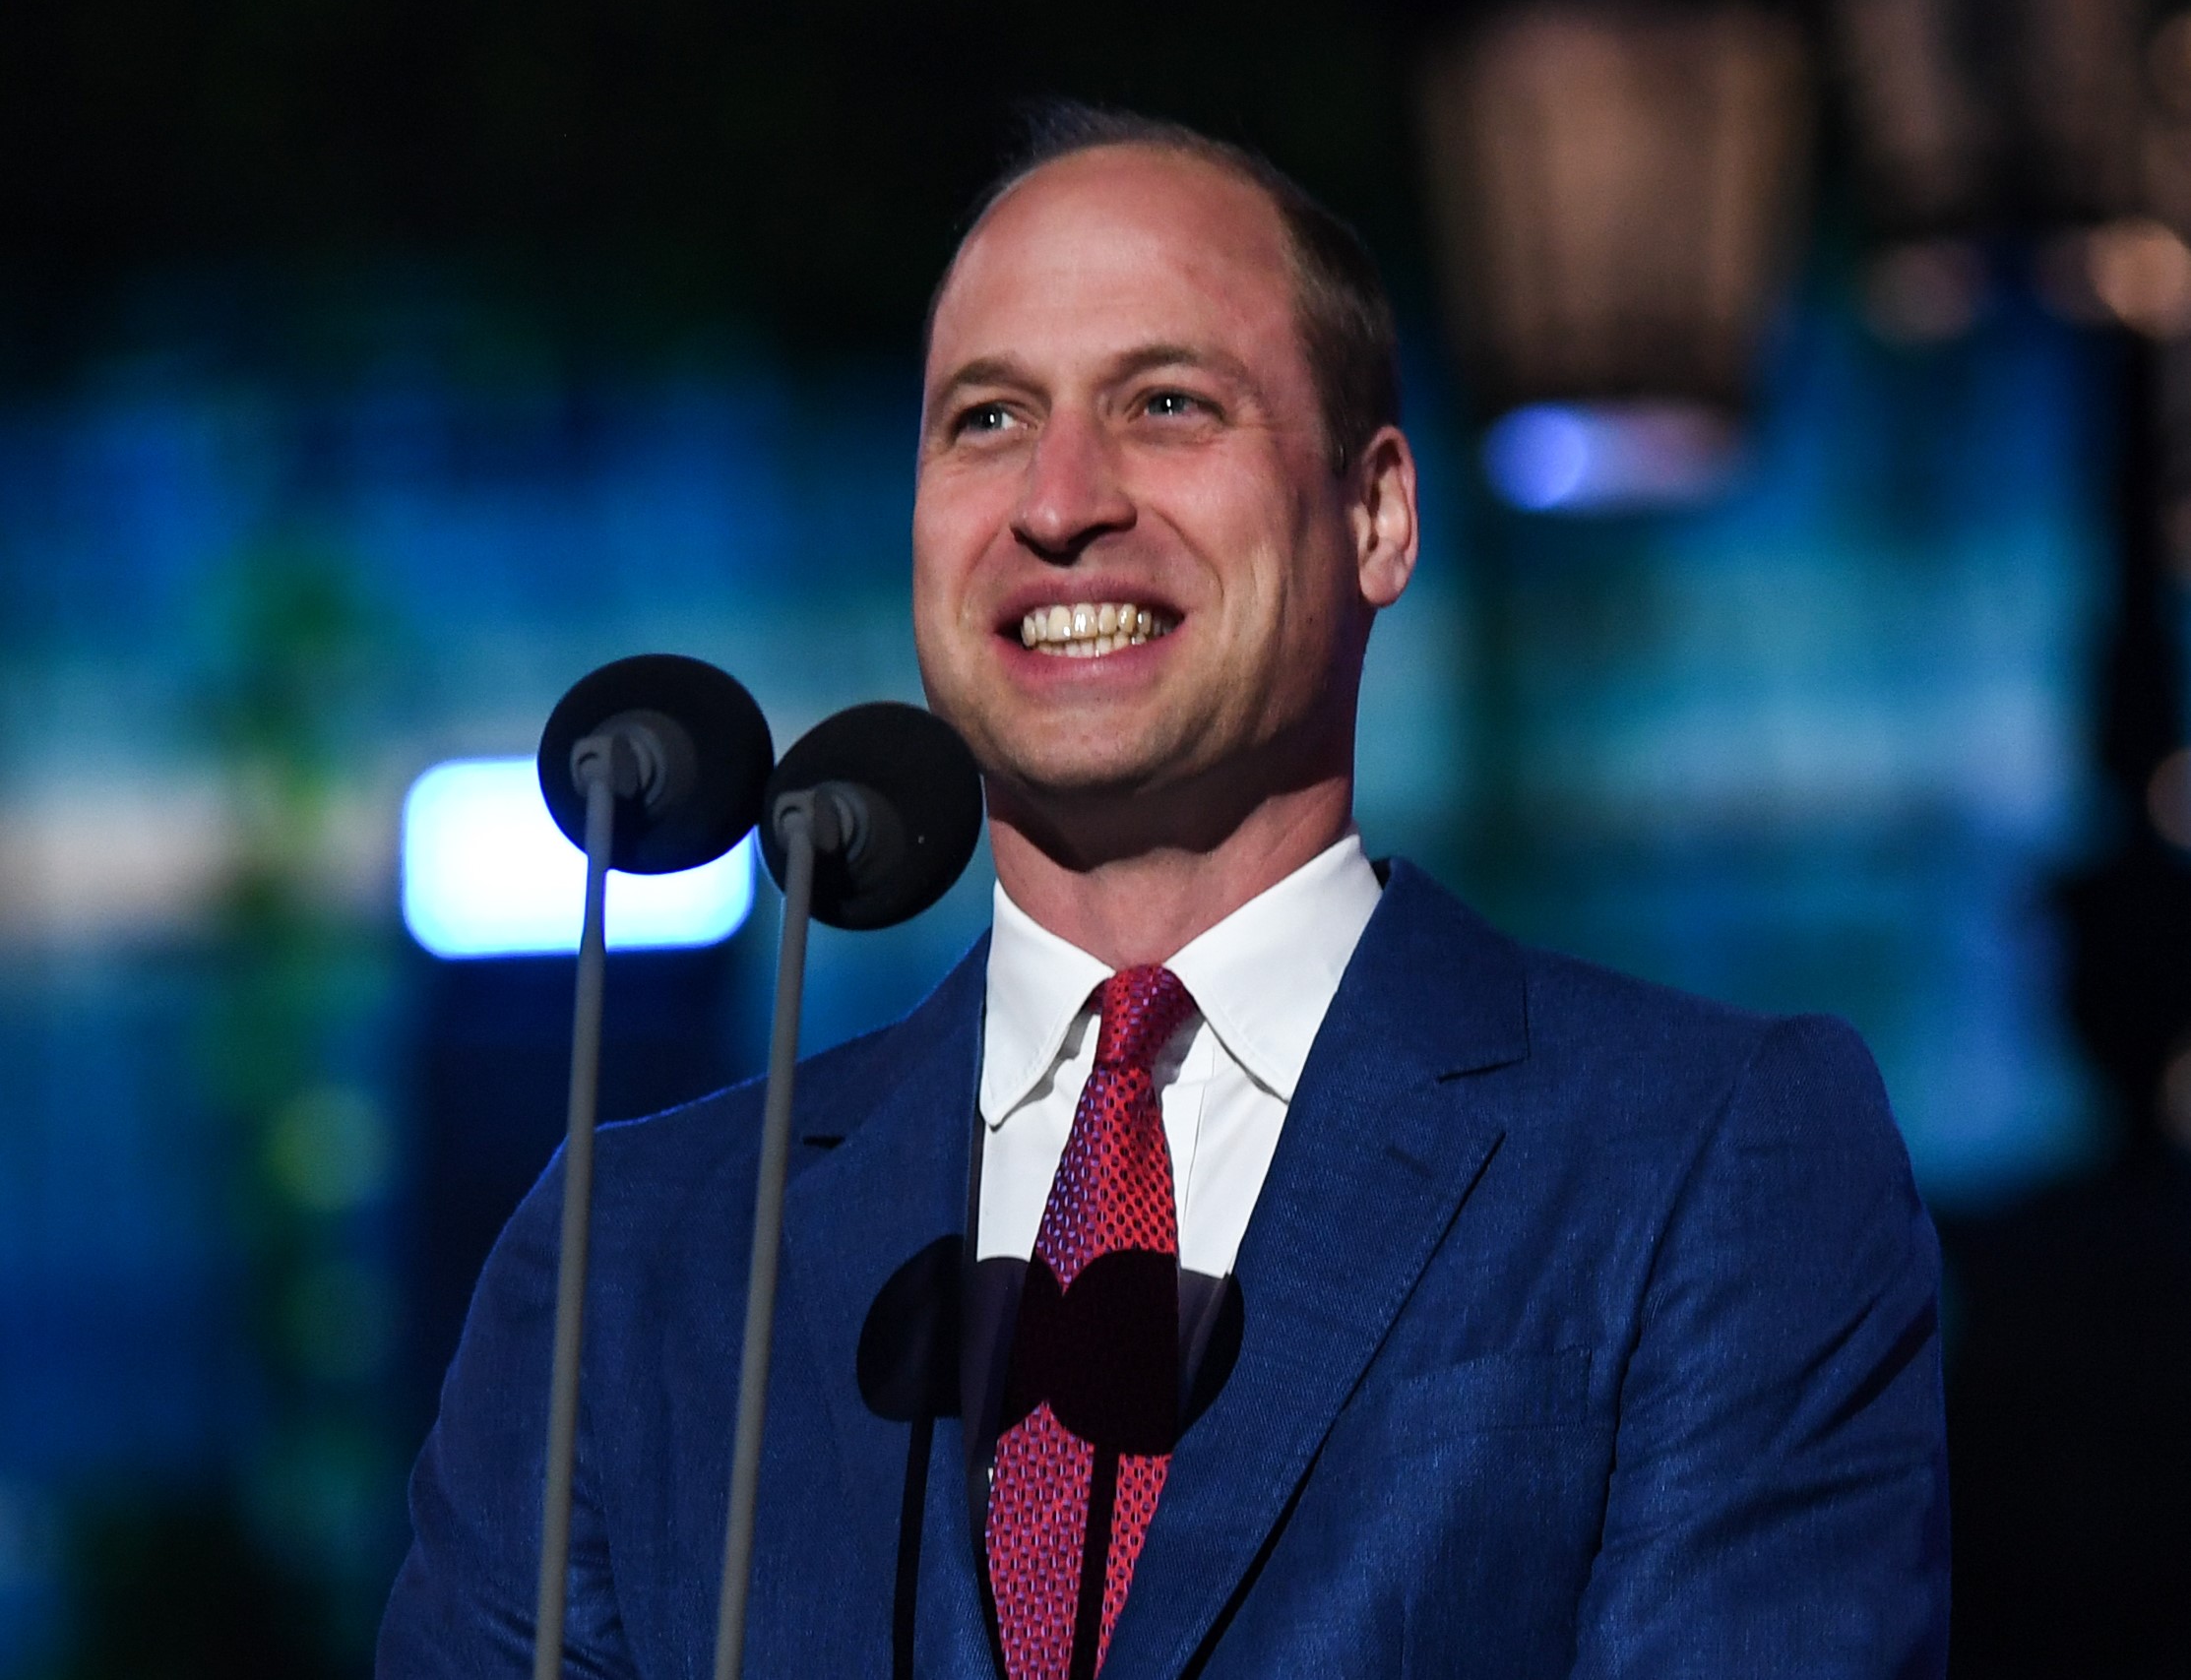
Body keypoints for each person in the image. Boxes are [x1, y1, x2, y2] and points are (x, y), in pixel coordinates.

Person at [379, 106, 1950, 1678]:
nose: (1059, 503)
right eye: (986, 420)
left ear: (1376, 514)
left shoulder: (1700, 1154)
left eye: (1167, 404)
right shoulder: (637, 1252)